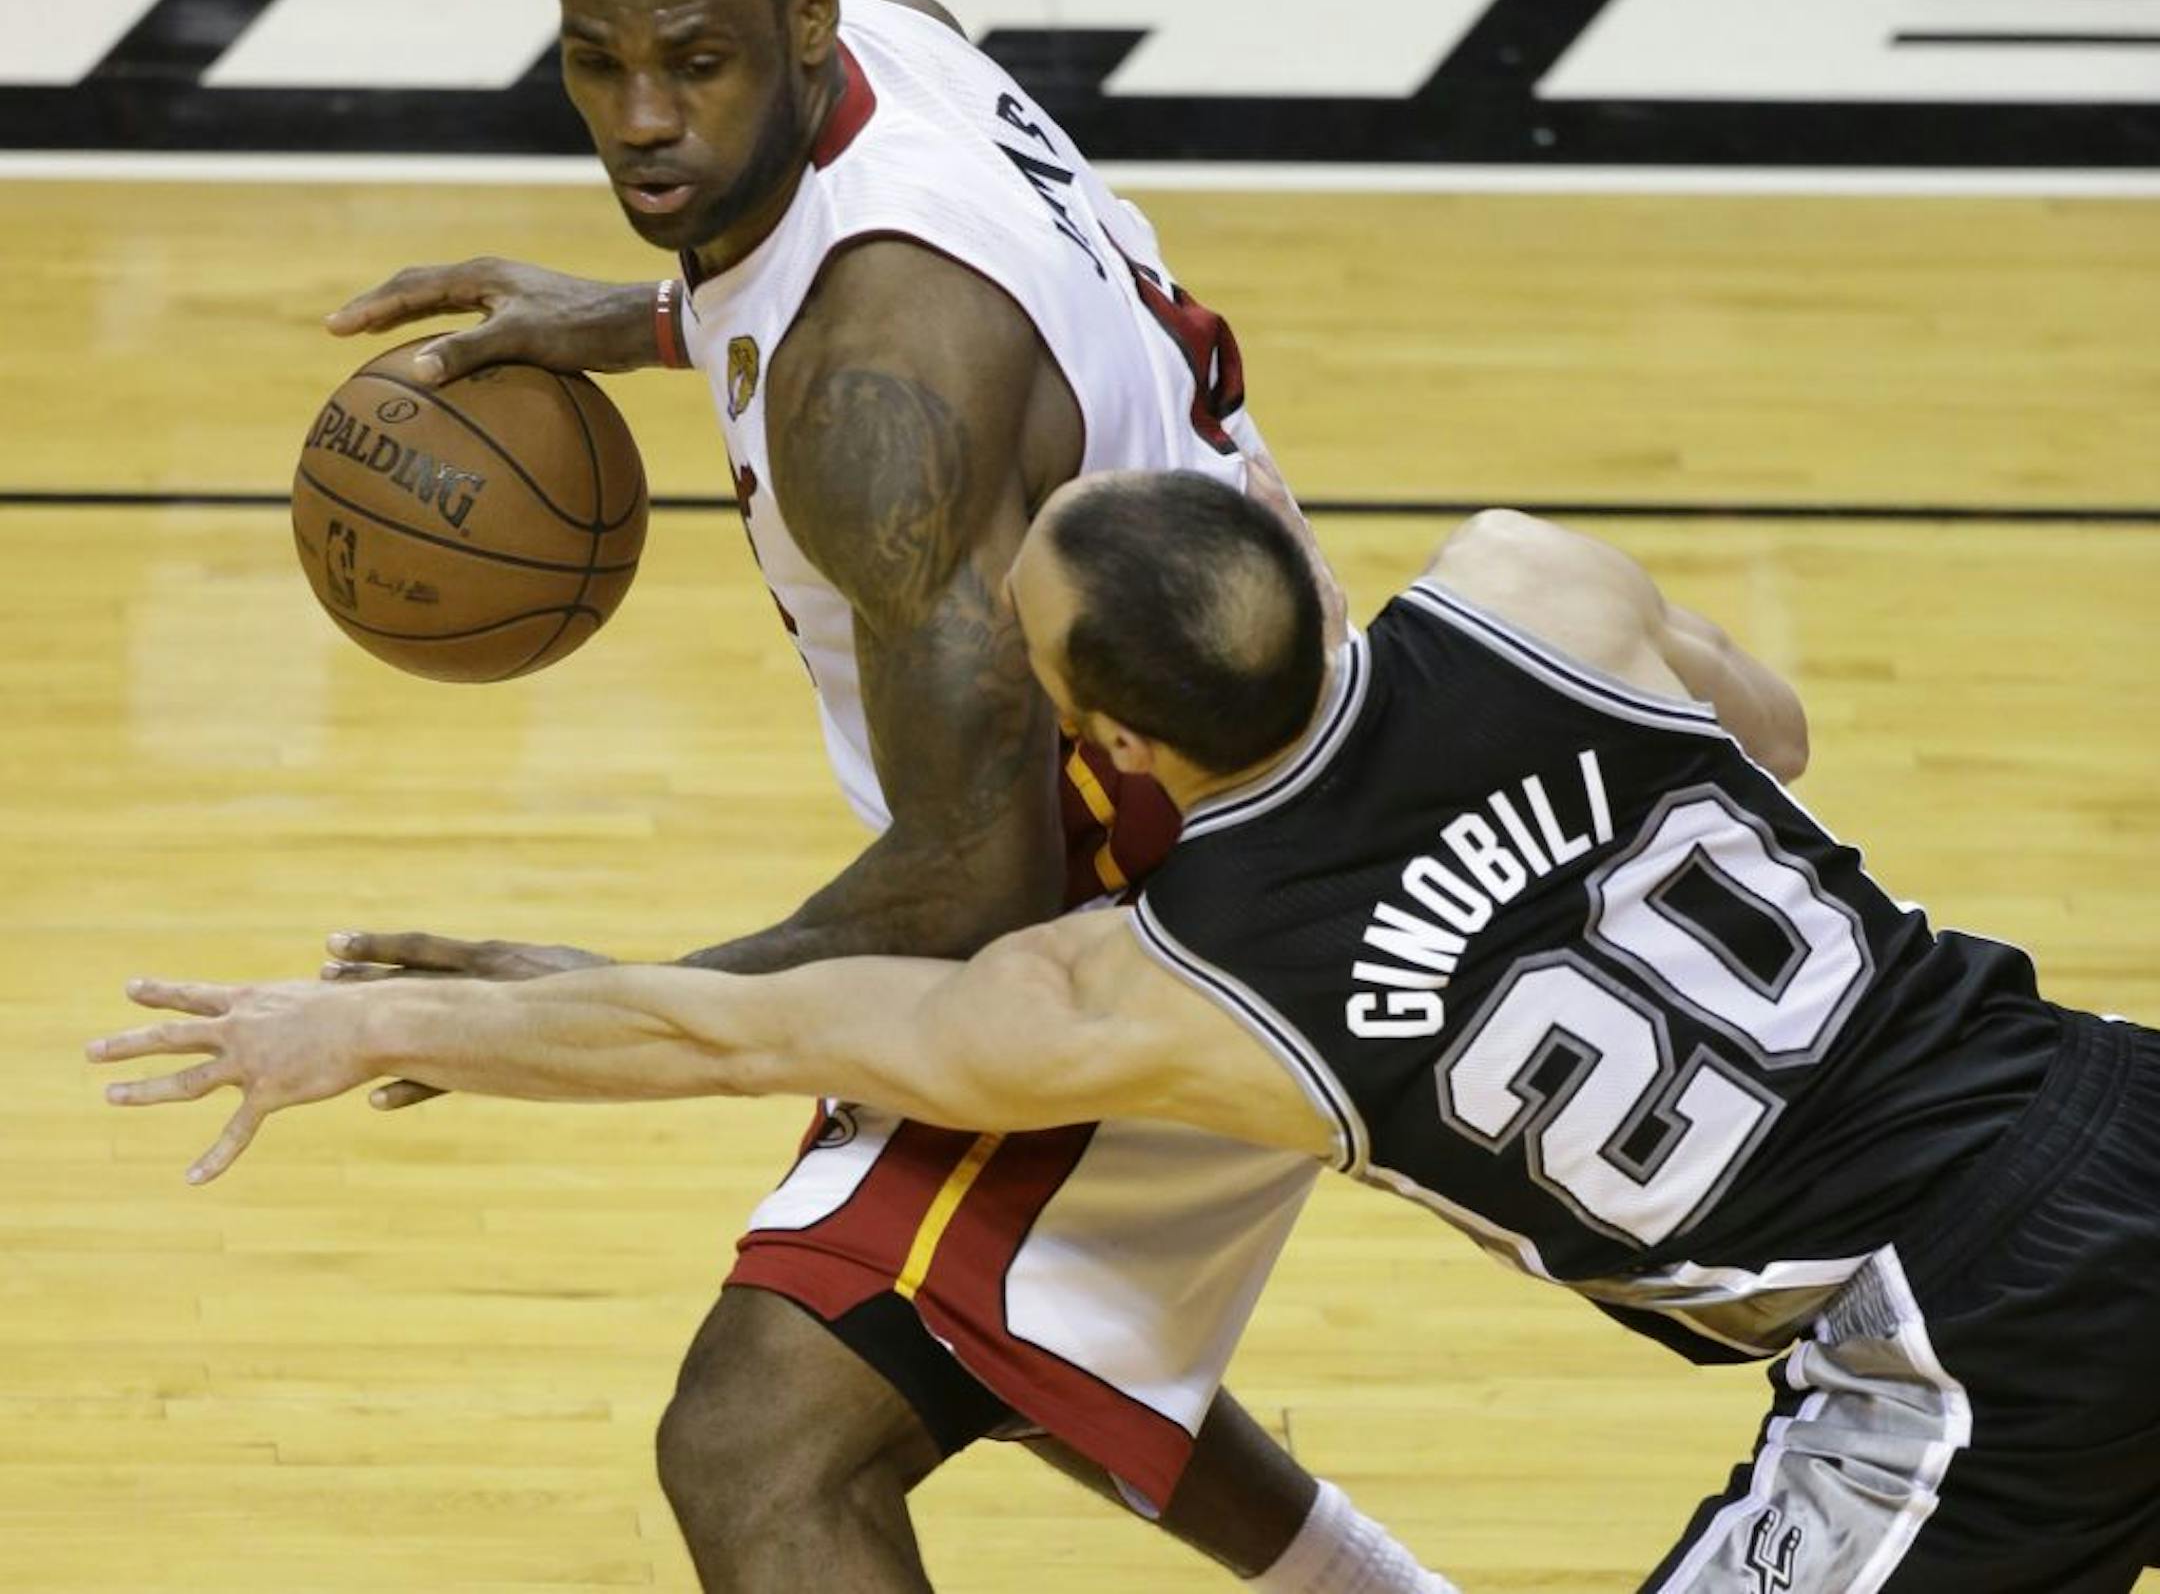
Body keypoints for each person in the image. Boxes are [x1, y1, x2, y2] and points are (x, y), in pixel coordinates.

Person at [96, 475, 2160, 1592]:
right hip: (2116, 1095)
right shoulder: (1533, 583)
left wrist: (354, 1029)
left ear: (1108, 738)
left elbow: (727, 1036)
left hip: (1949, 1345)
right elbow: (1776, 740)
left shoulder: (1167, 990)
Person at [304, 0, 1438, 1594]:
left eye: (695, 62)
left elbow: (974, 887)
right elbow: (872, 269)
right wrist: (648, 314)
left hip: (1163, 895)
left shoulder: (877, 392)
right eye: (596, 64)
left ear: (806, 12)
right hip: (1296, 735)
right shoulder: (901, 49)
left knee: (763, 1439)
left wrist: (593, 1002)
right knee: (966, 1297)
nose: (642, 118)